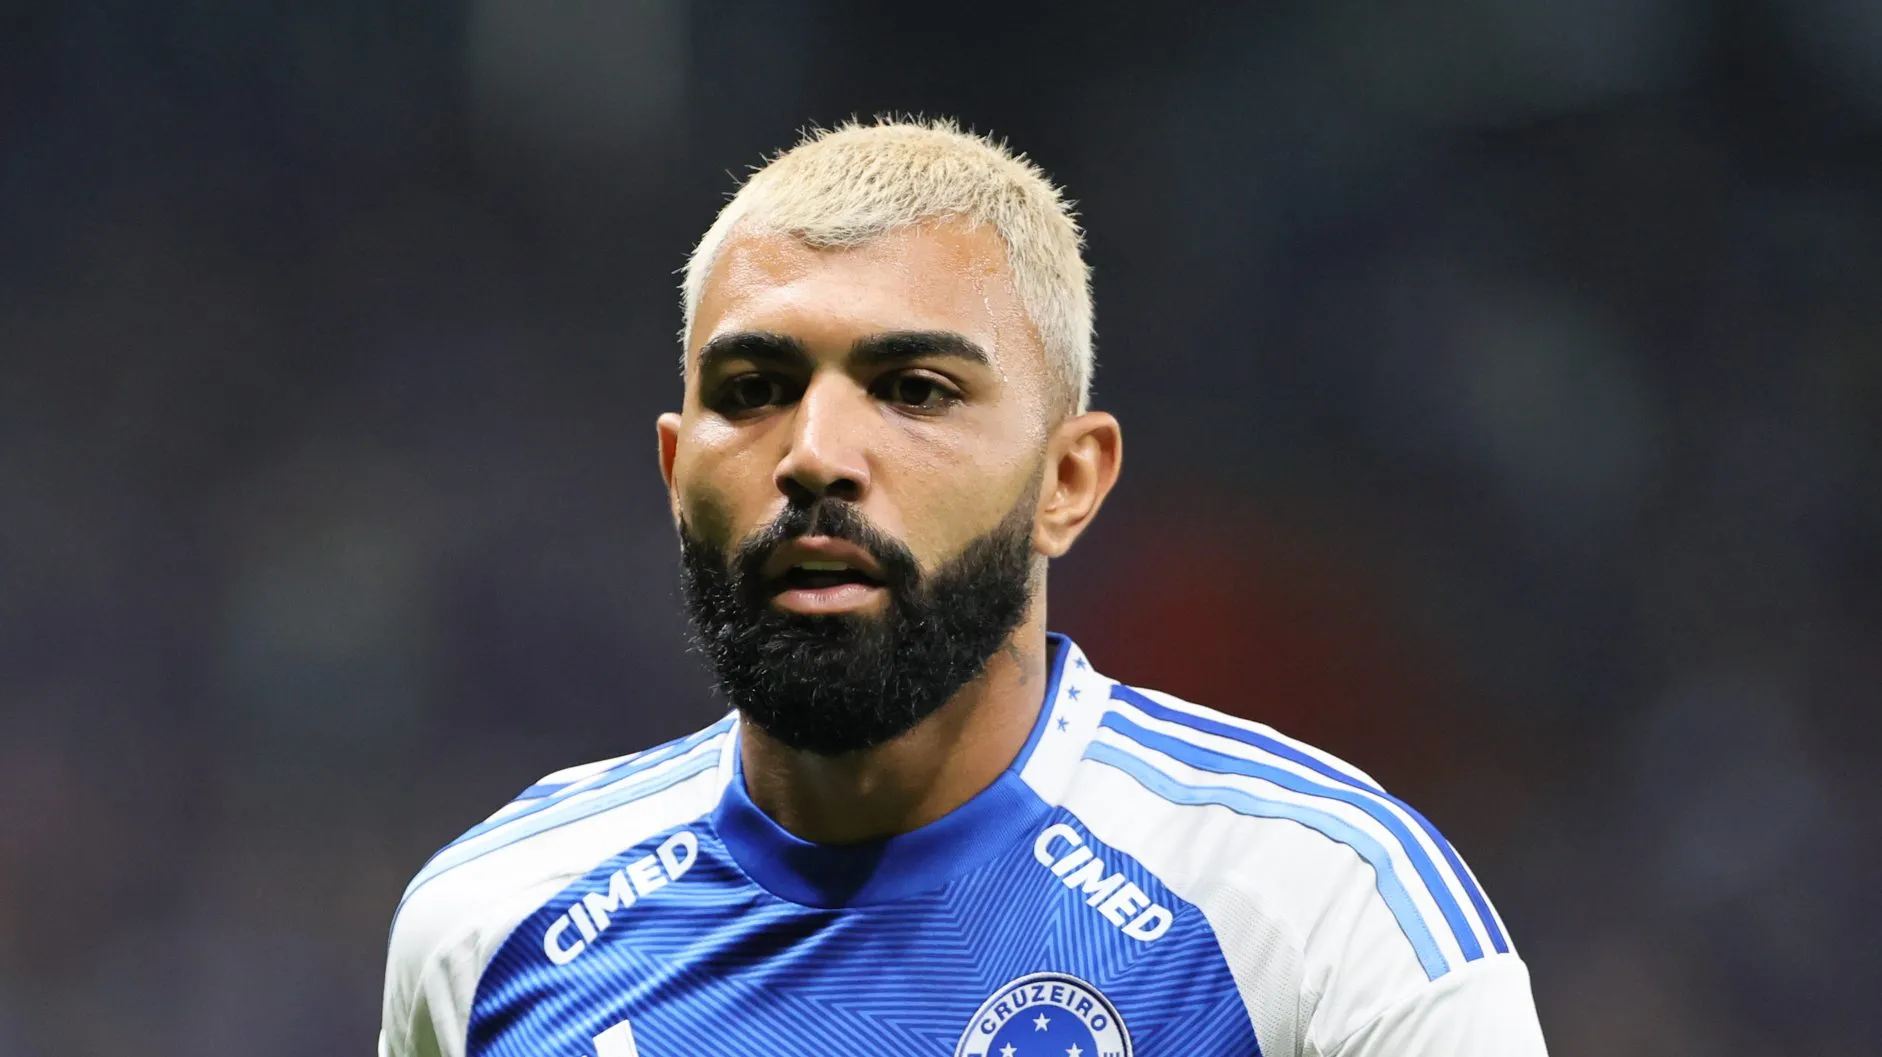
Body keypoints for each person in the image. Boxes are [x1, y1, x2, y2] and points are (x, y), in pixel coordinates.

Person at [379, 118, 1549, 1057]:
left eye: (916, 388)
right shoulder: (489, 927)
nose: (815, 452)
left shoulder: (1322, 908)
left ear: (1068, 479)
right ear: (677, 471)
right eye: (752, 386)